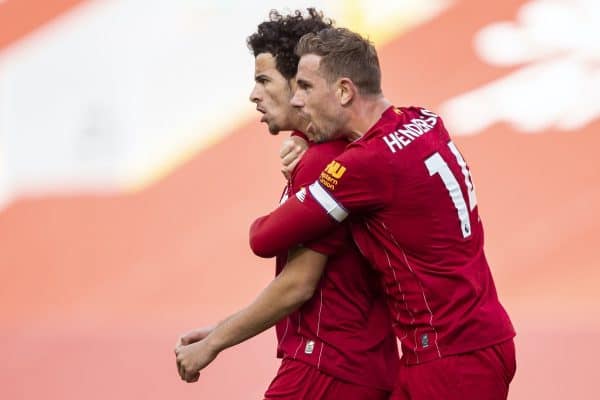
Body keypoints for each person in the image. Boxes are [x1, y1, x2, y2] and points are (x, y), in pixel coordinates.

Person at [249, 27, 516, 400]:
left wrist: (299, 176)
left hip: (448, 357)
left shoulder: (365, 166)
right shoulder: (425, 120)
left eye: (306, 88)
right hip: (473, 338)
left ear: (344, 91)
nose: (297, 101)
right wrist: (307, 138)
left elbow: (264, 239)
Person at [175, 11, 399, 399]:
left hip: (328, 368)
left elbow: (298, 284)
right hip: (359, 364)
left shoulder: (320, 162)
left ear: (301, 84)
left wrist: (214, 345)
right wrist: (221, 328)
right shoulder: (330, 152)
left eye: (264, 80)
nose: (254, 95)